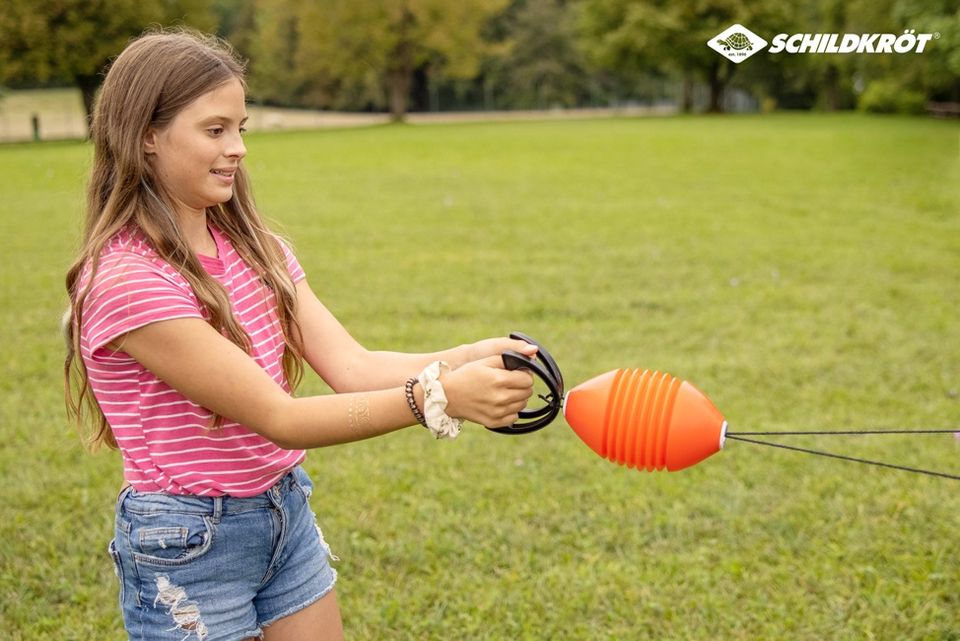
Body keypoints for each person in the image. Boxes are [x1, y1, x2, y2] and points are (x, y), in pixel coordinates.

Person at [64, 28, 537, 641]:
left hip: (284, 511)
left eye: (241, 128)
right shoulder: (129, 281)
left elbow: (354, 366)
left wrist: (469, 357)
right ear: (147, 136)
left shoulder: (258, 251)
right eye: (214, 130)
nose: (236, 148)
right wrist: (436, 399)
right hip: (187, 542)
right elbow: (279, 417)